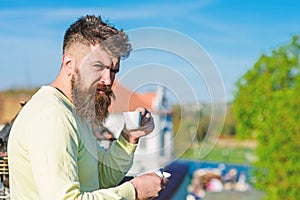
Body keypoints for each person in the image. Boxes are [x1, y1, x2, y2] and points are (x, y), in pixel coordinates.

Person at [8, 15, 168, 199]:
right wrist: (134, 191)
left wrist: (129, 136)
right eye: (98, 66)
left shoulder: (74, 111)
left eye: (113, 71)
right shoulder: (53, 115)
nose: (108, 80)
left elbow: (100, 177)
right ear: (69, 64)